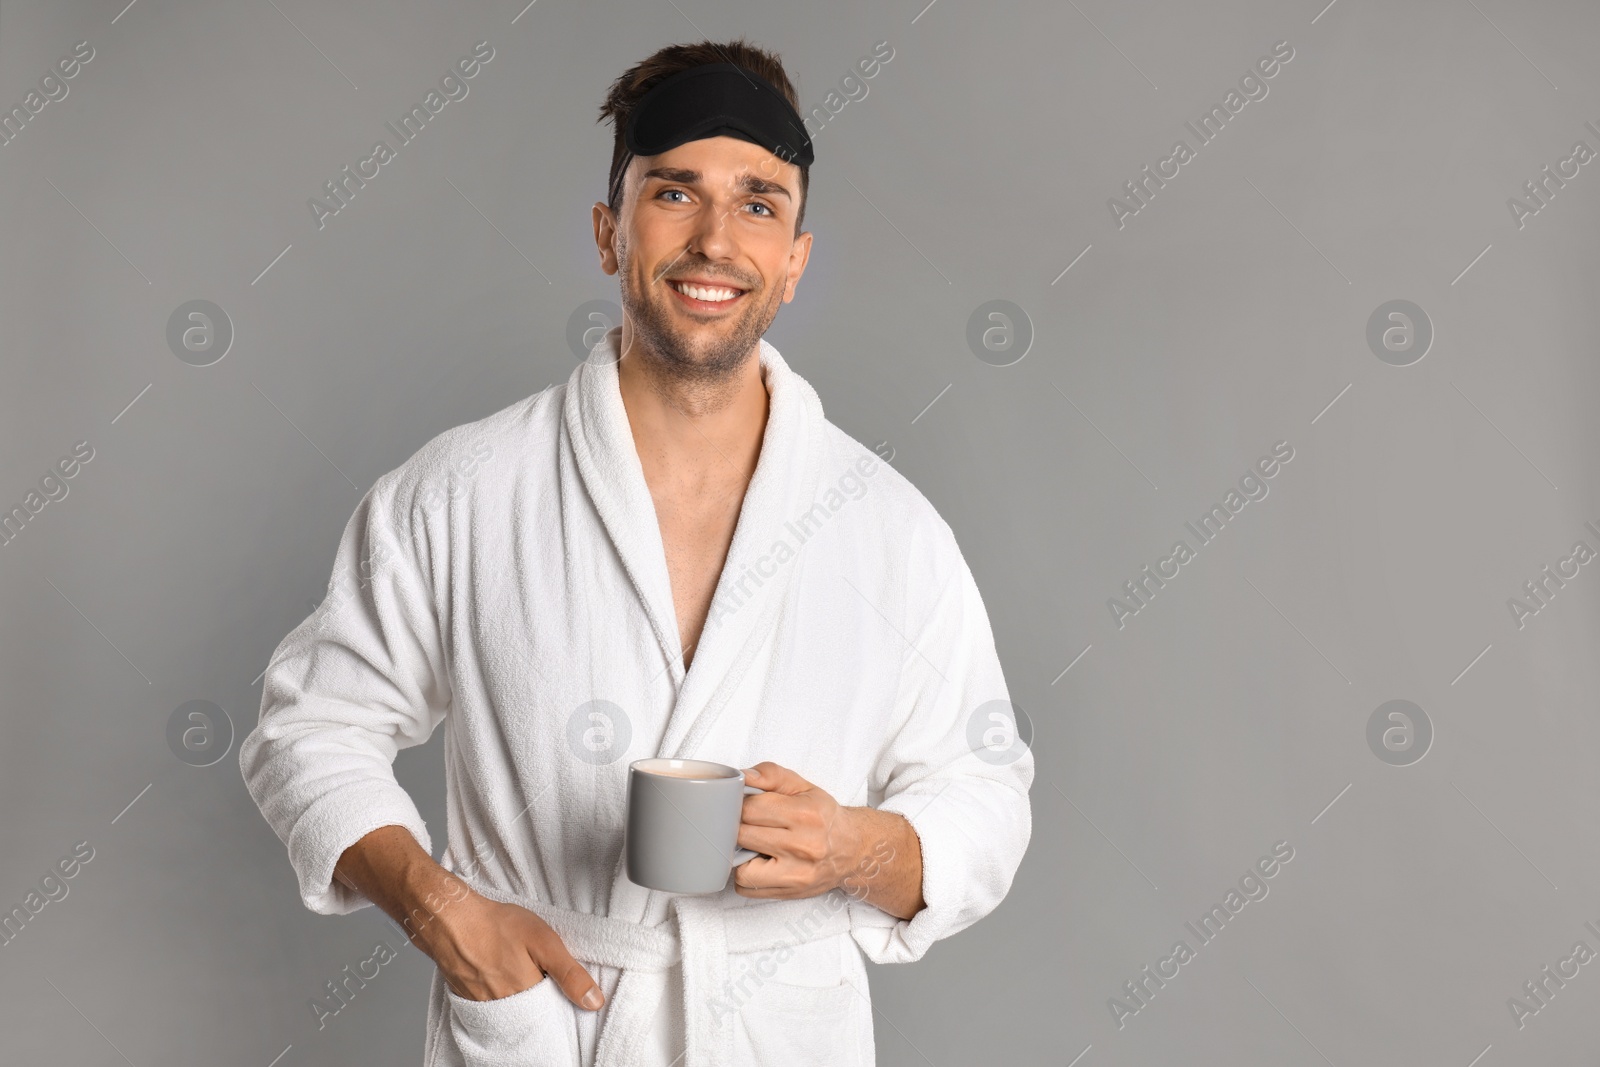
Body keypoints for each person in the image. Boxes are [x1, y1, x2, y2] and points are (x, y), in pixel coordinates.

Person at [240, 37, 1033, 1067]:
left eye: (758, 203)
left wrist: (856, 846)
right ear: (610, 232)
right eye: (673, 194)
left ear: (793, 259)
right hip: (546, 1018)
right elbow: (310, 725)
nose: (714, 239)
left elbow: (986, 789)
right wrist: (441, 909)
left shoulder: (886, 525)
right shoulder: (464, 490)